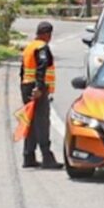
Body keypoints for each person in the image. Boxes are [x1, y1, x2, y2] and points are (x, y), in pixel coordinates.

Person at [20, 21, 61, 169]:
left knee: (30, 122)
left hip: (26, 86)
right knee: (42, 122)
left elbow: (22, 71)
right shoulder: (42, 47)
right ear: (46, 34)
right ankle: (47, 157)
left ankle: (28, 156)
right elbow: (42, 67)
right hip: (37, 88)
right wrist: (39, 87)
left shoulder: (29, 47)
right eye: (50, 35)